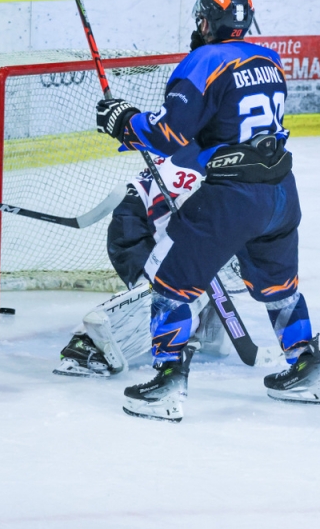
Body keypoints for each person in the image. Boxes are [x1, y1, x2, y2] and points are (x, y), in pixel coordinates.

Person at [95, 0, 320, 421]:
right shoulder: (269, 60)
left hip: (231, 199)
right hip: (281, 192)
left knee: (168, 283)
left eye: (203, 17)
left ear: (210, 20)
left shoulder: (203, 61)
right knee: (280, 288)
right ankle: (307, 368)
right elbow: (223, 123)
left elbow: (168, 134)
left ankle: (167, 383)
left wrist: (124, 121)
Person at [52, 144, 244, 378]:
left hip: (155, 216)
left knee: (211, 269)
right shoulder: (206, 161)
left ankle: (201, 329)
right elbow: (166, 211)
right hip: (137, 222)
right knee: (162, 293)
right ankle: (86, 342)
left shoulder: (228, 153)